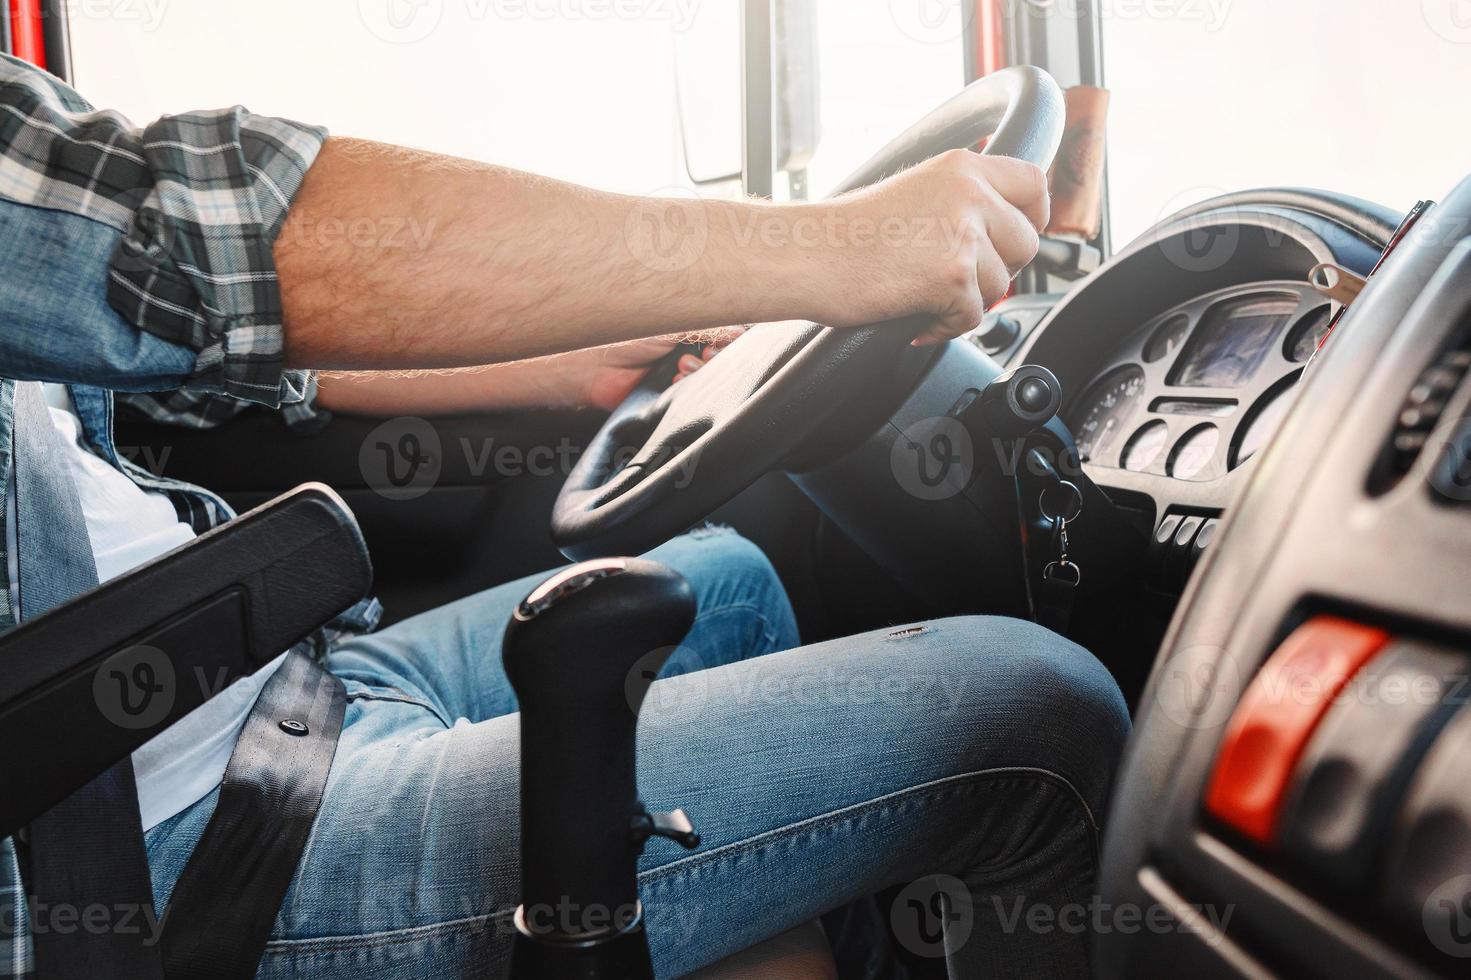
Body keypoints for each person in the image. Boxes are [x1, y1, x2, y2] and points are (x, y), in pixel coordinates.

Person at [0, 51, 1128, 979]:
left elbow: (205, 372)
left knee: (727, 578)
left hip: (283, 700)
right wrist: (830, 247)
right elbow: (178, 241)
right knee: (1037, 713)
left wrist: (571, 366)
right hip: (163, 858)